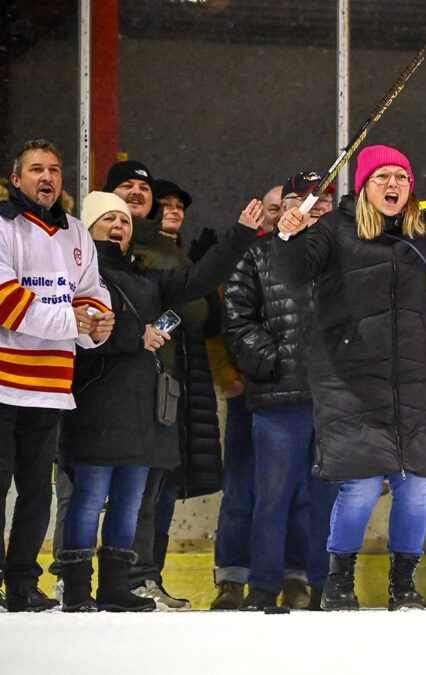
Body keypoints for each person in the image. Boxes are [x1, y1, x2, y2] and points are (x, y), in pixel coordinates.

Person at [272, 122, 426, 611]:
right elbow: (292, 270)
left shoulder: (424, 229)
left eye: (401, 178)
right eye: (382, 176)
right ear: (364, 186)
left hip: (411, 381)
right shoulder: (334, 230)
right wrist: (286, 235)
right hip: (350, 381)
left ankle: (404, 583)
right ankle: (339, 583)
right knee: (360, 488)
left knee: (416, 488)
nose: (393, 185)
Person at [55, 191, 257, 610]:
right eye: (108, 218)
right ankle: (76, 589)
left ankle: (114, 587)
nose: (119, 225)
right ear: (87, 228)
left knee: (129, 502)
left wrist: (239, 235)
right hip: (96, 406)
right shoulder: (76, 276)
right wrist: (136, 335)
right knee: (90, 498)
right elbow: (83, 333)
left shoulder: (148, 279)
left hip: (145, 407)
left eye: (125, 221)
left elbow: (199, 279)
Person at [0, 140, 115, 611]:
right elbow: (7, 302)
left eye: (54, 169)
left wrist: (97, 324)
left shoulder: (74, 234)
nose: (46, 177)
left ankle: (23, 582)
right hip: (4, 383)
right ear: (16, 179)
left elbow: (94, 294)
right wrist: (74, 321)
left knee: (34, 495)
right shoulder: (3, 226)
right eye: (35, 169)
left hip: (50, 388)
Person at [225, 171, 338, 611]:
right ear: (286, 207)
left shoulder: (348, 252)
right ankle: (264, 590)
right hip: (278, 399)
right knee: (270, 499)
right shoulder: (257, 254)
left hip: (334, 398)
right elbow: (236, 316)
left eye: (324, 199)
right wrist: (270, 362)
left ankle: (328, 589)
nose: (315, 206)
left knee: (329, 502)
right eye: (303, 198)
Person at [205, 182, 286, 609]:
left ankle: (293, 574)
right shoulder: (239, 258)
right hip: (247, 394)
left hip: (294, 395)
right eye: (271, 208)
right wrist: (228, 376)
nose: (277, 215)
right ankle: (233, 578)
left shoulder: (305, 256)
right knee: (241, 485)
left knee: (294, 490)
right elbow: (220, 327)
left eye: (284, 208)